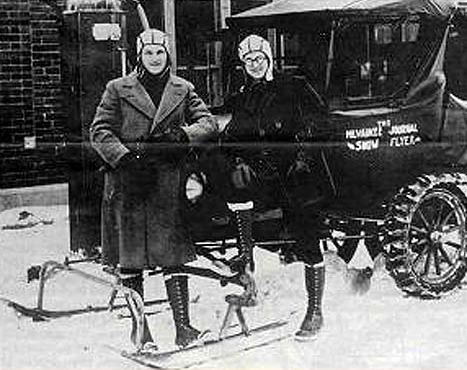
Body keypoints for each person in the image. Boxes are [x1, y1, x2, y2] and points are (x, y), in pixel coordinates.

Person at [90, 29, 218, 351]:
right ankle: (140, 333)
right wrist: (125, 159)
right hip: (128, 183)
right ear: (139, 56)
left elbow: (208, 123)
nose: (155, 58)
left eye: (160, 53)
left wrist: (182, 136)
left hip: (168, 183)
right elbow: (100, 130)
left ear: (168, 56)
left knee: (173, 256)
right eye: (149, 53)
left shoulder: (183, 88)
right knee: (131, 260)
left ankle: (184, 328)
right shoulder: (118, 89)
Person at [221, 34, 333, 342]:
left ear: (269, 59)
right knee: (235, 187)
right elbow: (233, 134)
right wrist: (237, 158)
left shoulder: (293, 86)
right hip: (264, 173)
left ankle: (315, 311)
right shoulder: (244, 95)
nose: (255, 65)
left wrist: (301, 155)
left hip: (298, 172)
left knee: (307, 236)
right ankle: (246, 256)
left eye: (259, 59)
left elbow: (319, 124)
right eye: (248, 61)